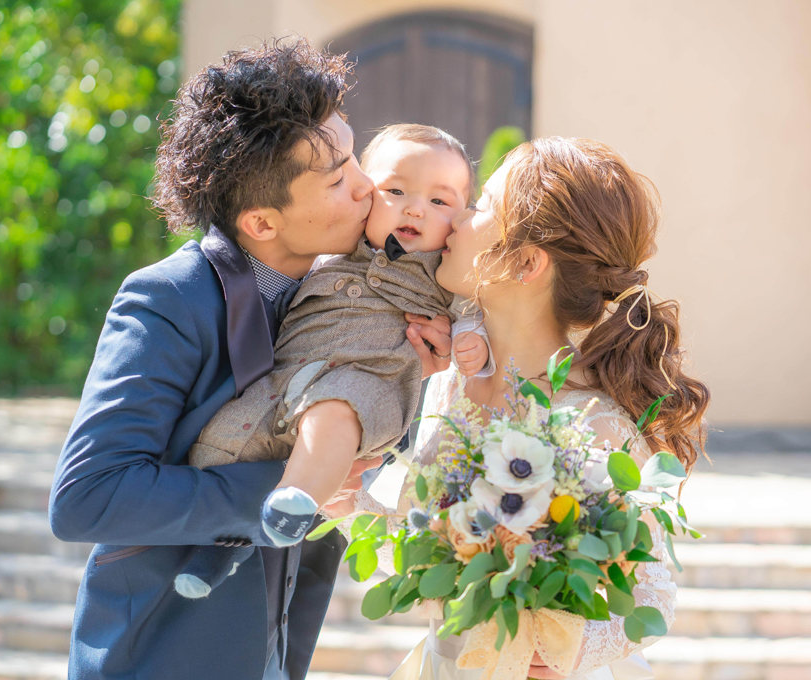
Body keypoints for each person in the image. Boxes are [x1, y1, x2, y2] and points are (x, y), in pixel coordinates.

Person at [48, 38, 452, 680]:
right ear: (262, 223)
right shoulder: (167, 299)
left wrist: (411, 374)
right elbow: (86, 499)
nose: (366, 185)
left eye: (355, 158)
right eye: (339, 176)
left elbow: (353, 445)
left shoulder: (353, 291)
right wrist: (290, 489)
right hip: (161, 657)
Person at [345, 137, 711, 680]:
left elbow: (654, 600)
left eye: (484, 205)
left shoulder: (593, 421)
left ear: (525, 263)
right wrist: (345, 498)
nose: (460, 217)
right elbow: (419, 534)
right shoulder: (451, 384)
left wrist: (560, 653)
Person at [174, 124, 495, 599]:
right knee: (222, 442)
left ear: (460, 220)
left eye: (439, 202)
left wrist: (471, 343)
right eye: (397, 190)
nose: (414, 208)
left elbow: (474, 311)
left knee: (334, 413)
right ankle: (220, 550)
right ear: (366, 192)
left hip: (367, 387)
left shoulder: (443, 275)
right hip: (284, 385)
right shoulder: (331, 250)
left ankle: (297, 499)